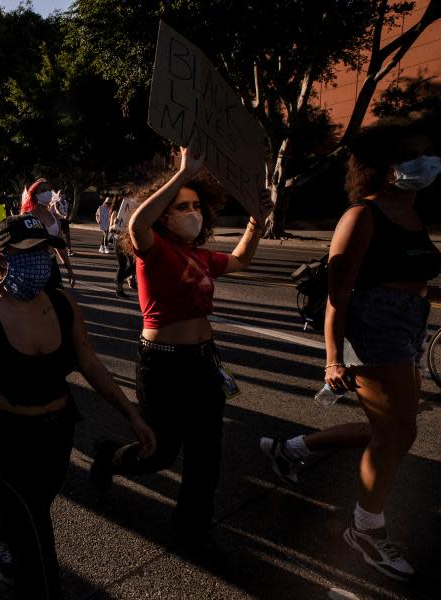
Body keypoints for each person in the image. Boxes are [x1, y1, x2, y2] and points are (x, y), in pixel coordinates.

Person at [0, 215, 155, 598]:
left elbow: (90, 363)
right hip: (1, 443)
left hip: (55, 436)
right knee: (38, 545)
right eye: (29, 252)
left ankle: (1, 528)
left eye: (45, 250)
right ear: (3, 260)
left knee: (32, 511)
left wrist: (132, 415)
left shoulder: (63, 305)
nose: (42, 260)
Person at [259, 117, 440, 581]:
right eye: (412, 156)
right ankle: (365, 530)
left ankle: (292, 449)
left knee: (388, 428)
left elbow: (416, 277)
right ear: (384, 168)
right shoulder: (362, 216)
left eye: (427, 151)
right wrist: (333, 359)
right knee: (398, 434)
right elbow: (338, 297)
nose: (426, 162)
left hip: (410, 321)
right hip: (373, 326)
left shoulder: (415, 212)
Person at [90, 147, 264, 560]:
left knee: (206, 456)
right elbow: (136, 223)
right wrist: (182, 173)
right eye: (181, 206)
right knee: (159, 452)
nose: (191, 212)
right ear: (165, 213)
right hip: (163, 364)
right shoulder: (153, 252)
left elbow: (241, 259)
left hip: (204, 362)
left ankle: (192, 530)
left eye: (196, 205)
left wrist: (258, 219)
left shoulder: (202, 256)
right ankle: (109, 457)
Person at [20, 180, 75, 288]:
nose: (48, 193)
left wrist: (69, 269)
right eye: (43, 190)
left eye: (49, 190)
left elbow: (60, 247)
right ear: (35, 195)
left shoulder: (55, 217)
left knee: (58, 299)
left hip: (51, 263)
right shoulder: (27, 216)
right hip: (33, 265)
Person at [109, 193, 138, 298]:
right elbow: (111, 230)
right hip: (119, 241)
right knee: (122, 265)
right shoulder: (116, 212)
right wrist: (114, 225)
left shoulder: (131, 211)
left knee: (134, 264)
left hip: (128, 241)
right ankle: (119, 289)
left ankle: (123, 280)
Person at [50, 191, 73, 255]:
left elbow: (69, 210)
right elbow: (57, 211)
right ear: (58, 195)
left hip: (65, 220)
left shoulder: (66, 202)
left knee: (67, 235)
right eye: (61, 194)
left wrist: (68, 216)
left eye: (64, 194)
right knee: (58, 236)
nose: (63, 195)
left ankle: (69, 250)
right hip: (58, 220)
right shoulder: (56, 203)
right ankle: (56, 249)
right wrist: (62, 216)